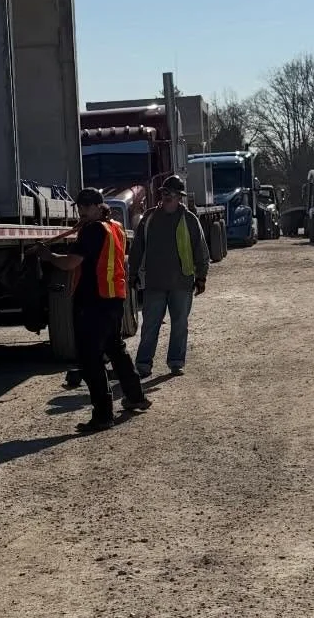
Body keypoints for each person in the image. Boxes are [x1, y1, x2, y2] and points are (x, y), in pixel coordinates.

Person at [37, 190, 151, 433]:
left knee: (90, 359)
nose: (82, 210)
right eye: (80, 206)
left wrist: (48, 256)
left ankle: (103, 415)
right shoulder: (115, 227)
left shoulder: (92, 230)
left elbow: (71, 263)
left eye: (87, 206)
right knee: (116, 350)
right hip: (114, 298)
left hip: (93, 301)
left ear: (100, 206)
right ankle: (136, 396)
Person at [131, 174, 209, 378]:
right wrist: (132, 273)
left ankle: (176, 362)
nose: (167, 196)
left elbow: (200, 250)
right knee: (150, 326)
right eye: (165, 192)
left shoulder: (189, 220)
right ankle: (143, 364)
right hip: (154, 283)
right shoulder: (149, 218)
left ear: (179, 197)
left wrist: (201, 277)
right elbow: (137, 247)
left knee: (180, 325)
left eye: (172, 193)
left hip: (181, 283)